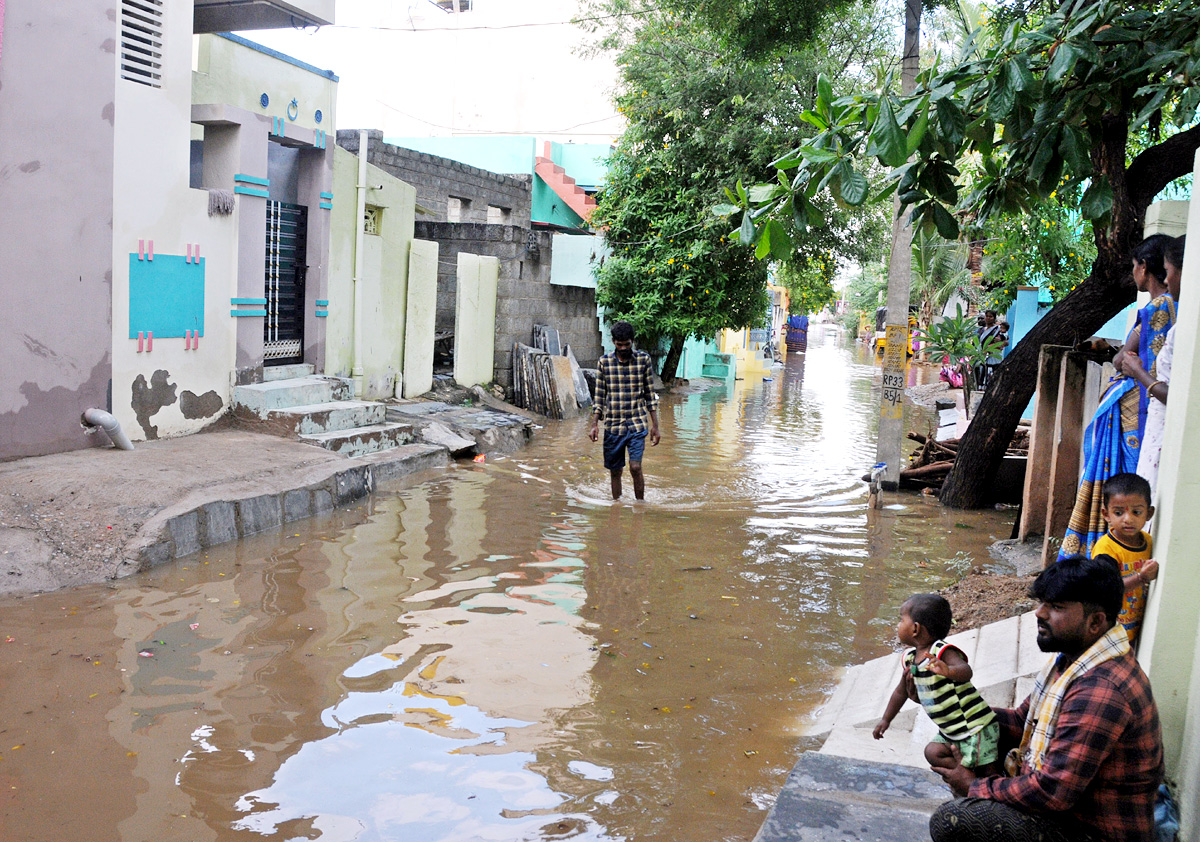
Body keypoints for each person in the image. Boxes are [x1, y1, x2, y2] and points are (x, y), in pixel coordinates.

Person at [929, 555, 1163, 842]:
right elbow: (1020, 721)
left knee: (954, 819)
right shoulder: (1073, 660)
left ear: (1095, 622)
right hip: (1068, 807)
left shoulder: (1102, 689)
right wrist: (954, 707)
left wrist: (974, 786)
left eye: (1056, 607)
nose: (1039, 613)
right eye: (1042, 603)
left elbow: (1051, 792)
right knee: (965, 736)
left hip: (1092, 832)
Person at [1059, 234, 1176, 559]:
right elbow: (1121, 357)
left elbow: (1130, 360)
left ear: (1144, 268)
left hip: (1137, 411)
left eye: (1135, 266)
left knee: (1123, 483)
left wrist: (1127, 362)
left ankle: (1107, 552)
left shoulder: (1158, 307)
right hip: (1142, 408)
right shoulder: (1165, 308)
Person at [874, 594, 1001, 775]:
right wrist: (886, 719)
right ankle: (965, 776)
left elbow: (966, 671)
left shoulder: (940, 651)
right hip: (950, 730)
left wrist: (949, 671)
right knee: (932, 752)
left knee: (987, 768)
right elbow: (900, 692)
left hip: (975, 727)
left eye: (901, 620)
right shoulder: (910, 660)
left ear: (916, 629)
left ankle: (990, 788)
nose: (898, 625)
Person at [1128, 236, 1185, 495]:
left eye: (1170, 271)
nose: (1165, 279)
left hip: (1155, 418)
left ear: (1143, 266)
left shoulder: (1161, 306)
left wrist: (1135, 370)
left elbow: (1125, 358)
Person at [589, 321, 661, 500]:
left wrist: (655, 426)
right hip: (613, 426)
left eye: (626, 344)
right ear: (613, 342)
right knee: (615, 471)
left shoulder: (643, 361)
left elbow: (650, 396)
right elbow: (599, 397)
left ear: (632, 342)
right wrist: (594, 424)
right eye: (619, 344)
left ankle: (640, 505)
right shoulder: (604, 362)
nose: (622, 348)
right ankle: (617, 506)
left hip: (637, 424)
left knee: (635, 467)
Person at [1091, 472, 1159, 643]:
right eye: (1119, 513)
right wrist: (1141, 577)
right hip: (1106, 635)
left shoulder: (1150, 542)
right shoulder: (1106, 549)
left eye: (1136, 512)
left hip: (1132, 631)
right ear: (1106, 514)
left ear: (1149, 514)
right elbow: (1106, 589)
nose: (1128, 519)